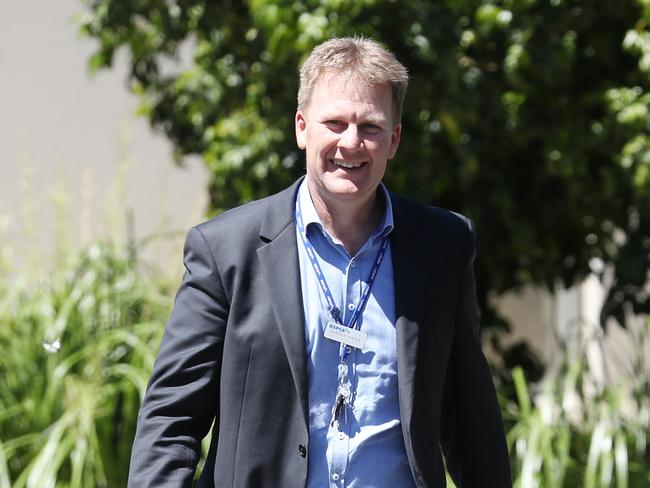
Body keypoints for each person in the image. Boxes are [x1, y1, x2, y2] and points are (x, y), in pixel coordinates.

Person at [128, 37, 512, 488]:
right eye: (334, 123)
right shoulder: (226, 250)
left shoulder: (443, 247)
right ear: (301, 128)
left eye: (370, 126)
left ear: (394, 140)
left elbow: (472, 425)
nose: (351, 143)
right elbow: (170, 422)